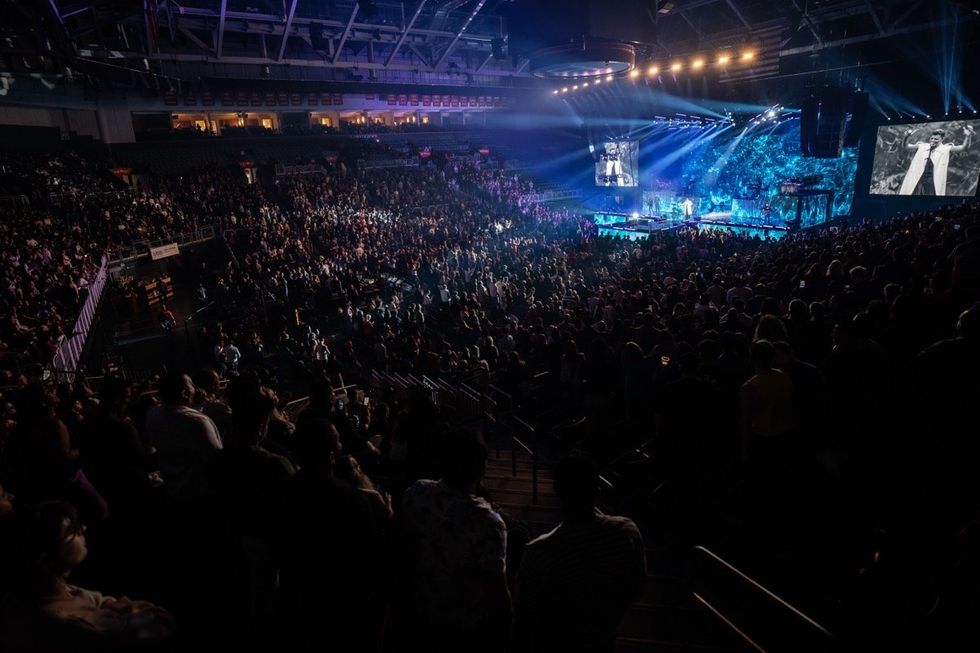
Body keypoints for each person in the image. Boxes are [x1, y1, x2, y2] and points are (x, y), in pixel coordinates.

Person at [514, 454, 646, 653]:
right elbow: (636, 588)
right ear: (597, 489)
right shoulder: (627, 532)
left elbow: (526, 614)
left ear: (556, 491)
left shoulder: (539, 552)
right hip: (605, 636)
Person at [0, 502, 173, 651]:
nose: (83, 528)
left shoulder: (52, 590)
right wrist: (129, 610)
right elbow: (161, 623)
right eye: (71, 530)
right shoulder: (67, 624)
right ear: (45, 560)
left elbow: (102, 601)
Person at [399, 431, 510, 653]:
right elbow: (497, 593)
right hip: (465, 630)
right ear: (480, 470)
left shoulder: (415, 493)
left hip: (418, 616)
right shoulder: (488, 523)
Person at [144, 371, 223, 501]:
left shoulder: (152, 414)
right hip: (200, 493)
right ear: (184, 393)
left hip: (171, 488)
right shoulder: (198, 421)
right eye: (191, 385)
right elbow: (217, 458)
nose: (196, 388)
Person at [899, 126, 974, 196]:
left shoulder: (945, 148)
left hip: (933, 183)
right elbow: (906, 146)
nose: (932, 141)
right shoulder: (922, 146)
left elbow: (963, 148)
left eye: (936, 139)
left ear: (942, 139)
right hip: (918, 181)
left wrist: (968, 136)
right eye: (931, 138)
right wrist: (906, 137)